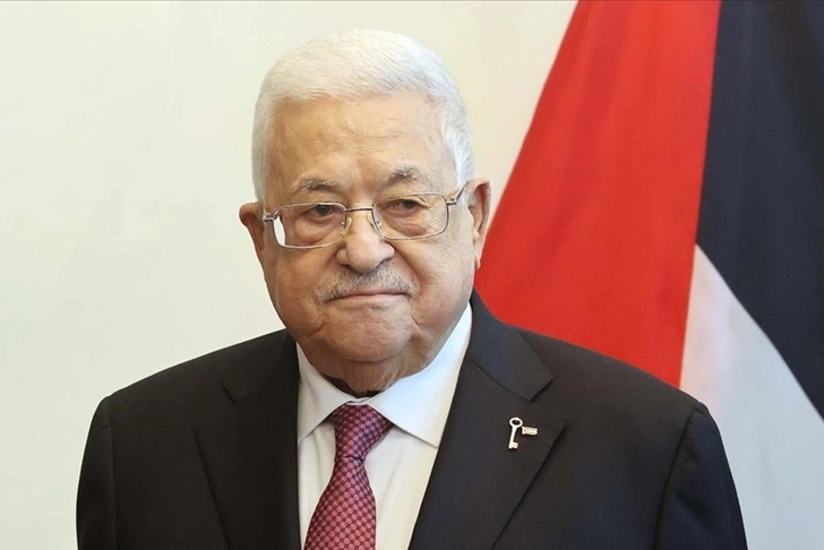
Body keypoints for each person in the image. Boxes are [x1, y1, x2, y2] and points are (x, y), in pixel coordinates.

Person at [76, 29, 747, 550]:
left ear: (474, 219)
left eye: (405, 204)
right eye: (320, 211)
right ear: (262, 238)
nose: (364, 250)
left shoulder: (649, 451)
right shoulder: (142, 445)